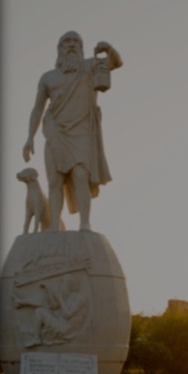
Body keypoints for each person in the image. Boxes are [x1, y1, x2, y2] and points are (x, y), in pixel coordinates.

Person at [23, 31, 122, 231]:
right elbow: (38, 108)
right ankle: (53, 226)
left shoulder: (90, 66)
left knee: (80, 175)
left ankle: (84, 223)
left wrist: (109, 50)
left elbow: (116, 62)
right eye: (66, 41)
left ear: (82, 48)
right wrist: (29, 138)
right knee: (54, 181)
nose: (71, 44)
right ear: (59, 49)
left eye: (76, 41)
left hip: (82, 130)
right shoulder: (48, 78)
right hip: (55, 131)